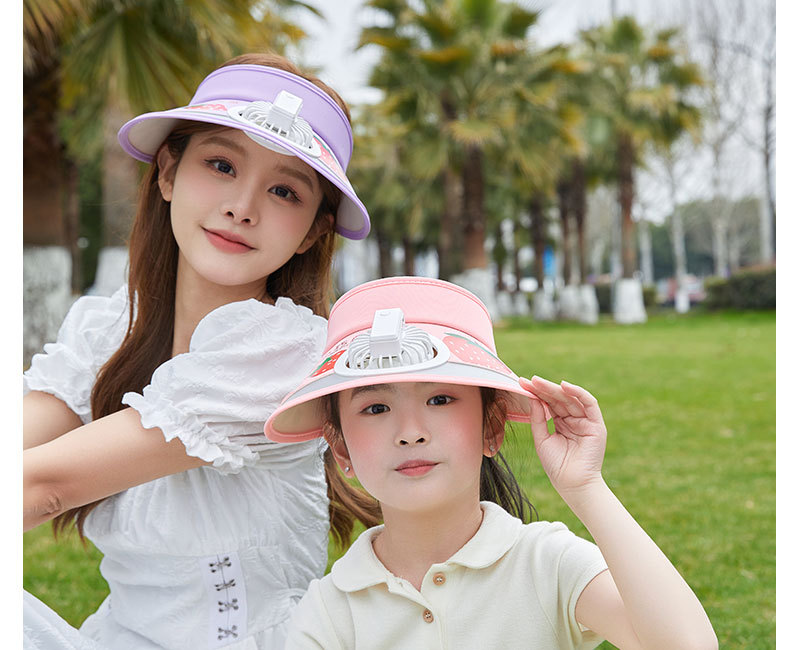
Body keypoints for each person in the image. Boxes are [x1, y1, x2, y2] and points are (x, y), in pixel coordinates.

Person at [23, 53, 379, 649]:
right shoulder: (112, 329)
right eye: (221, 165)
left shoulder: (284, 353)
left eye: (284, 191)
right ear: (167, 172)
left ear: (313, 231)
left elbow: (43, 485)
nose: (242, 207)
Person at [264, 276, 718, 650]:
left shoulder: (546, 563)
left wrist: (586, 488)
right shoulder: (330, 610)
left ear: (491, 428)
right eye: (376, 408)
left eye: (440, 399)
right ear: (340, 448)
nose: (410, 432)